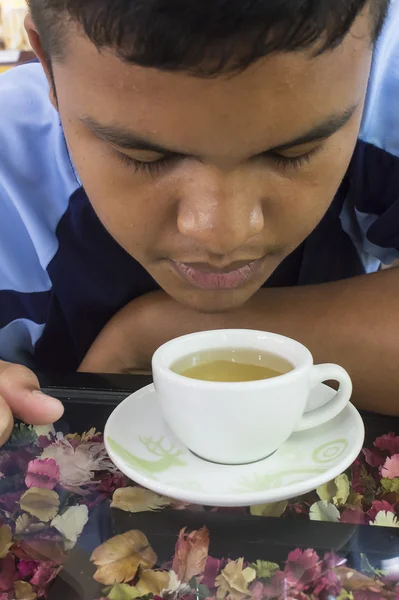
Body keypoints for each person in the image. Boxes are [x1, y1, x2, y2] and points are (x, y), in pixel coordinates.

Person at [0, 0, 398, 445]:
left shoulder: (377, 82)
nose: (223, 235)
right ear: (47, 63)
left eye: (293, 153)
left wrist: (155, 334)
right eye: (144, 156)